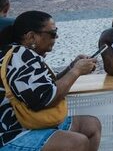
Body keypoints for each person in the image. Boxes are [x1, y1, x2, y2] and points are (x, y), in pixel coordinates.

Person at [0, 11, 101, 150]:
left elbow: (45, 85)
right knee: (77, 142)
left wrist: (72, 67)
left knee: (91, 126)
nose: (56, 37)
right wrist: (76, 71)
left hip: (29, 122)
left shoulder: (20, 53)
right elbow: (46, 98)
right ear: (31, 36)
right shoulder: (20, 57)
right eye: (53, 33)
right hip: (11, 134)